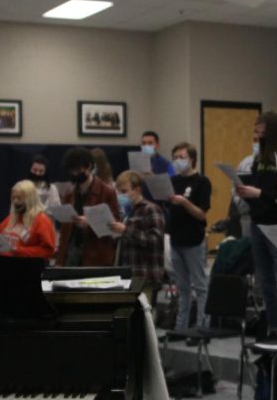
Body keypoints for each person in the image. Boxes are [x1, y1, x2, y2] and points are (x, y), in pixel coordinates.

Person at [235, 111, 277, 339]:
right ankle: (274, 326)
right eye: (256, 132)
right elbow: (258, 187)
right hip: (258, 222)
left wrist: (259, 192)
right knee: (265, 281)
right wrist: (245, 191)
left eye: (263, 132)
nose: (259, 136)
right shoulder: (259, 156)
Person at [167, 142, 211, 331]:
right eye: (175, 157)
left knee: (200, 286)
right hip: (176, 239)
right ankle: (181, 327)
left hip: (194, 239)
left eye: (182, 157)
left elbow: (201, 213)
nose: (178, 160)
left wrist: (184, 202)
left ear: (192, 159)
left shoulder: (201, 182)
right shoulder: (173, 181)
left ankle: (202, 326)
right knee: (182, 288)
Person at [55, 147, 121, 267]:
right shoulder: (69, 193)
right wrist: (60, 260)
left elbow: (116, 226)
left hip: (96, 254)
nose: (75, 174)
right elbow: (65, 231)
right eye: (71, 170)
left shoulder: (107, 192)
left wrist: (90, 222)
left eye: (78, 169)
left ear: (89, 166)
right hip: (72, 252)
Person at [110, 170, 166, 303]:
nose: (120, 196)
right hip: (128, 273)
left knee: (144, 316)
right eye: (118, 192)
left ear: (137, 190)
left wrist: (126, 231)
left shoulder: (151, 209)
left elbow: (155, 240)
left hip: (145, 274)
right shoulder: (127, 213)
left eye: (124, 191)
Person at [0, 179, 56, 258]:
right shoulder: (12, 218)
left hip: (26, 267)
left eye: (19, 198)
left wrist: (18, 251)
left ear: (29, 198)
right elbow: (0, 244)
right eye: (14, 198)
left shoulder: (41, 220)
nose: (16, 201)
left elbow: (48, 251)